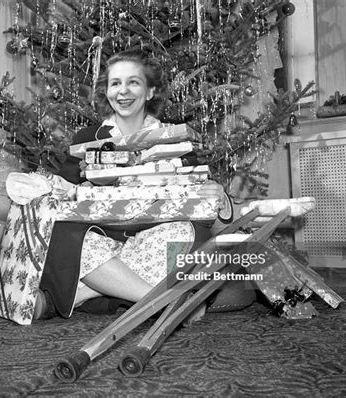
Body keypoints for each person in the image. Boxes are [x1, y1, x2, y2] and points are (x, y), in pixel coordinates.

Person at [34, 49, 255, 320]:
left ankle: (88, 292)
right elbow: (64, 200)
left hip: (151, 244)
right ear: (107, 91)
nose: (123, 91)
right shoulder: (87, 139)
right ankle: (164, 302)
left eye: (133, 82)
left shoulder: (173, 138)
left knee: (191, 235)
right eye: (115, 83)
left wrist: (216, 196)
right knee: (59, 234)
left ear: (150, 92)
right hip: (102, 242)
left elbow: (204, 207)